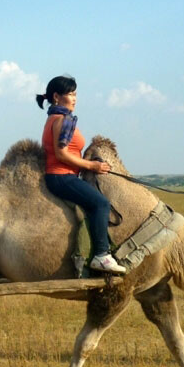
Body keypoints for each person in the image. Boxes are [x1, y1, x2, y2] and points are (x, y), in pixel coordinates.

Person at [37, 75, 126, 275]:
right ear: (57, 97)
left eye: (76, 94)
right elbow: (61, 154)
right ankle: (101, 256)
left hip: (63, 175)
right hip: (61, 177)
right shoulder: (61, 120)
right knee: (101, 203)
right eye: (70, 94)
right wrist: (92, 166)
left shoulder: (55, 117)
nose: (75, 98)